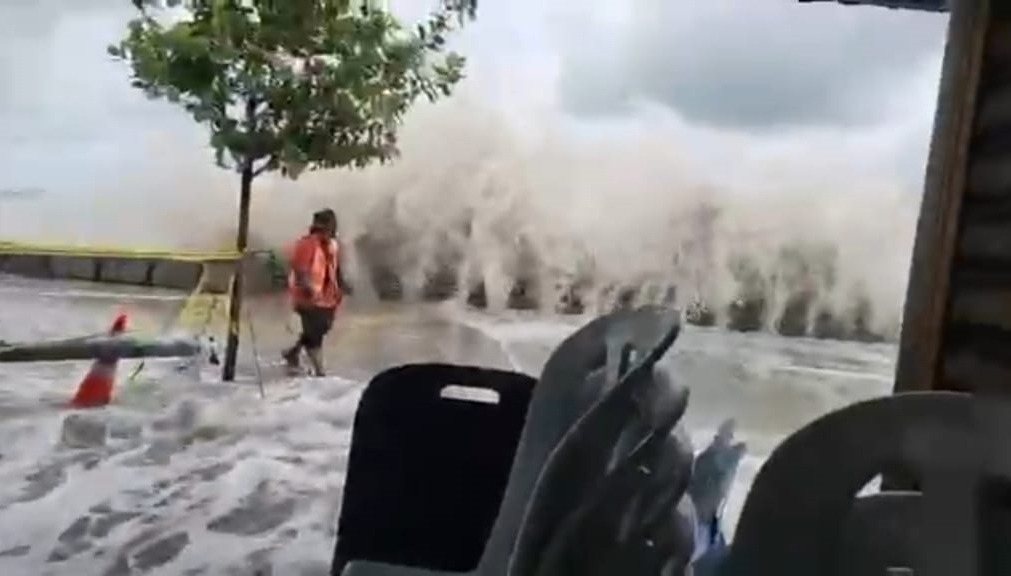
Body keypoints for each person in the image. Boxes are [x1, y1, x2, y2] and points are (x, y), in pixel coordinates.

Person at [282, 209, 350, 376]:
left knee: (322, 327)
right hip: (308, 297)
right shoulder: (307, 244)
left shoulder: (333, 245)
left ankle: (293, 352)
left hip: (328, 297)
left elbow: (335, 268)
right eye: (330, 226)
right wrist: (308, 287)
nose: (333, 229)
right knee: (315, 335)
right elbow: (301, 269)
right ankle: (320, 373)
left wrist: (342, 285)